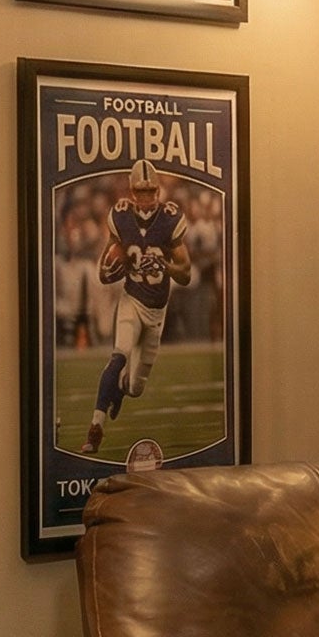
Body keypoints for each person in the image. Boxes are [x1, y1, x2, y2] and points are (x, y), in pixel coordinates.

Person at [83, 158, 191, 454]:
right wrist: (110, 269)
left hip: (157, 311)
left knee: (135, 388)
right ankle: (95, 426)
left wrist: (166, 265)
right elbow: (105, 269)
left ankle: (120, 389)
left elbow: (186, 274)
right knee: (119, 355)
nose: (146, 198)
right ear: (132, 193)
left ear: (158, 191)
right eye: (141, 192)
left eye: (150, 191)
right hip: (131, 299)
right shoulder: (120, 216)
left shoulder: (169, 218)